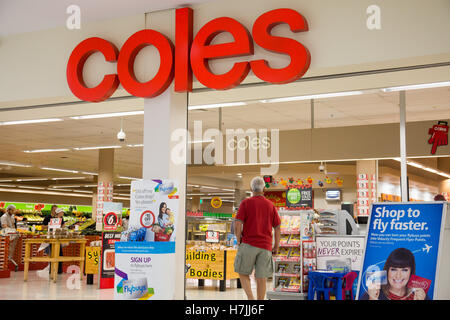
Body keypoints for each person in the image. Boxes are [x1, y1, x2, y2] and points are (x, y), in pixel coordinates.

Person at [234, 176, 281, 300]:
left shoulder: (246, 203)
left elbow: (238, 223)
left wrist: (238, 239)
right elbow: (277, 227)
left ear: (251, 188)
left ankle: (251, 298)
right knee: (262, 277)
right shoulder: (270, 205)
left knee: (242, 272)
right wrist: (276, 246)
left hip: (248, 244)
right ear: (264, 188)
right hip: (265, 246)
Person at [361, 248, 428, 300]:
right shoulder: (373, 293)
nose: (398, 276)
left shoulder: (419, 295)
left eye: (404, 270)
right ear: (387, 271)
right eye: (393, 269)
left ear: (411, 272)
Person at [1, 205, 19, 270]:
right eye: (12, 210)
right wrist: (11, 230)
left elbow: (13, 225)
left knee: (11, 248)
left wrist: (14, 230)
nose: (13, 211)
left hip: (12, 235)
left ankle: (9, 258)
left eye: (14, 210)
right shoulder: (4, 217)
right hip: (5, 235)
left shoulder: (12, 216)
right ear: (8, 210)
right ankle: (5, 259)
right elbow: (4, 226)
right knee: (6, 249)